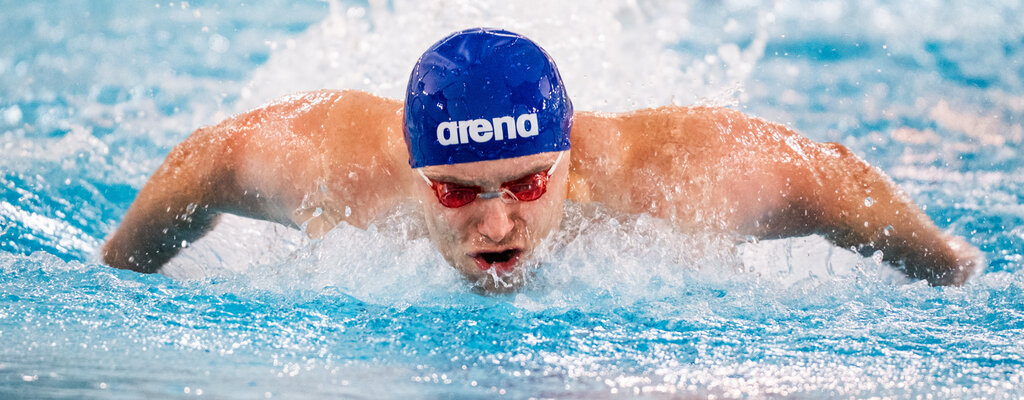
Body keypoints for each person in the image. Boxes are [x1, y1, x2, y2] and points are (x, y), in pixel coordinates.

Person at [101, 28, 981, 290]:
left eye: (526, 184)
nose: (495, 224)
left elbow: (840, 181)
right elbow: (202, 161)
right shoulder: (338, 169)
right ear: (416, 173)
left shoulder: (677, 179)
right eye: (457, 193)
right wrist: (119, 275)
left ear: (568, 159)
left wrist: (950, 273)